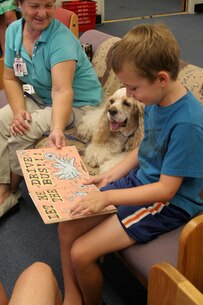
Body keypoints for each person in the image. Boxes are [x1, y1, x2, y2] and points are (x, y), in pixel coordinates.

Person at [58, 23, 203, 305]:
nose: (128, 93)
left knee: (81, 253)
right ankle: (73, 296)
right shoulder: (156, 99)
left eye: (133, 87)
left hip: (168, 203)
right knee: (67, 226)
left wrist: (110, 196)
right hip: (143, 181)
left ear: (161, 78)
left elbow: (165, 191)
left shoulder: (187, 122)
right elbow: (145, 147)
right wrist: (110, 176)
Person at [0, 0, 102, 218]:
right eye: (35, 5)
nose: (42, 13)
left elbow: (62, 91)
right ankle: (4, 187)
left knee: (24, 129)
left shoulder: (61, 39)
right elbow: (10, 77)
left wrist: (57, 128)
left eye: (48, 5)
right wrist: (19, 111)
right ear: (19, 4)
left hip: (80, 105)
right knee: (2, 120)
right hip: (42, 96)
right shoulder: (13, 31)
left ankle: (10, 191)